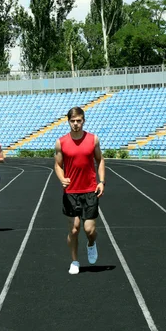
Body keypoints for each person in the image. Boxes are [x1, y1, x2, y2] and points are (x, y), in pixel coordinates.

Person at [54, 106, 105, 275]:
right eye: (73, 121)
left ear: (83, 121)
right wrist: (62, 178)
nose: (76, 124)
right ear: (68, 122)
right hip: (71, 192)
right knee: (74, 228)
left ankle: (91, 244)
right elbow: (57, 165)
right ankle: (75, 261)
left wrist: (102, 181)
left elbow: (100, 160)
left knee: (89, 230)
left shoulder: (93, 139)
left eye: (79, 120)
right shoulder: (61, 142)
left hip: (90, 190)